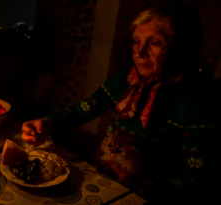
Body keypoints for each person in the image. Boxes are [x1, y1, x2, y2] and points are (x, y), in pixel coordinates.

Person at [22, 1, 215, 202]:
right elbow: (88, 107)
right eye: (136, 41)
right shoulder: (128, 80)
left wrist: (145, 178)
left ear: (182, 48)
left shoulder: (197, 104)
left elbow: (196, 179)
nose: (139, 53)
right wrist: (48, 122)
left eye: (155, 42)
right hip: (106, 177)